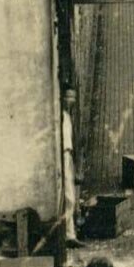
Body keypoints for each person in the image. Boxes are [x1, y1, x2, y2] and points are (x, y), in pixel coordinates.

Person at [62, 89, 83, 248]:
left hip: (67, 156)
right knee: (68, 197)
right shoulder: (60, 116)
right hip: (62, 156)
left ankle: (70, 233)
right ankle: (68, 235)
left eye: (74, 98)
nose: (71, 100)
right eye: (69, 97)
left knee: (70, 197)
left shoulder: (67, 116)